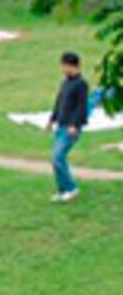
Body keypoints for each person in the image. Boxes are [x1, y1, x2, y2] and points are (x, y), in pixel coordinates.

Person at [48, 50, 90, 204]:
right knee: (56, 159)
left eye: (64, 65)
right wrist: (52, 119)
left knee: (57, 157)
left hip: (71, 127)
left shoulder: (81, 84)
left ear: (71, 65)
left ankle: (71, 188)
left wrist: (74, 124)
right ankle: (63, 189)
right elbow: (59, 102)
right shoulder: (66, 82)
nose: (63, 69)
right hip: (61, 125)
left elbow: (81, 107)